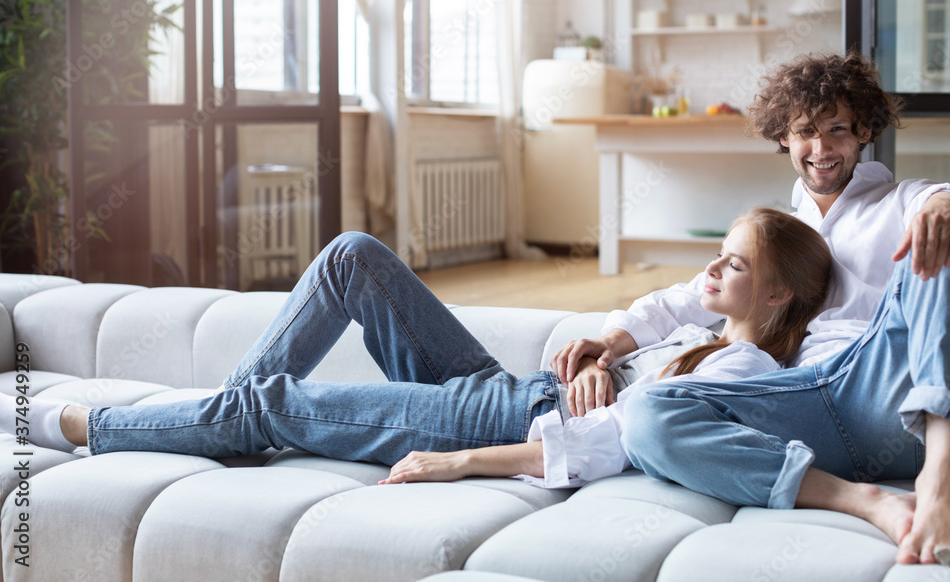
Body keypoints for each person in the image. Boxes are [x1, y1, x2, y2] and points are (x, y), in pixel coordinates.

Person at [3, 208, 831, 492]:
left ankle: (94, 426)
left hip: (500, 420)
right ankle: (228, 417)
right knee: (354, 255)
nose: (711, 268)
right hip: (505, 387)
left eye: (734, 261)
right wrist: (591, 360)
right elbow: (640, 330)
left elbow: (615, 445)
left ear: (780, 293)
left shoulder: (743, 366)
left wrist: (458, 463)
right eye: (717, 252)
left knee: (282, 404)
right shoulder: (701, 329)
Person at [550, 51, 950, 565]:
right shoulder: (786, 228)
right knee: (650, 414)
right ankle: (866, 501)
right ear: (784, 136)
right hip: (801, 402)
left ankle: (937, 489)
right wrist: (612, 339)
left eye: (838, 130)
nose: (821, 147)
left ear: (865, 131)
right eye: (806, 131)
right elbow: (695, 294)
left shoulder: (900, 202)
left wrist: (946, 209)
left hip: (885, 385)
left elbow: (948, 198)